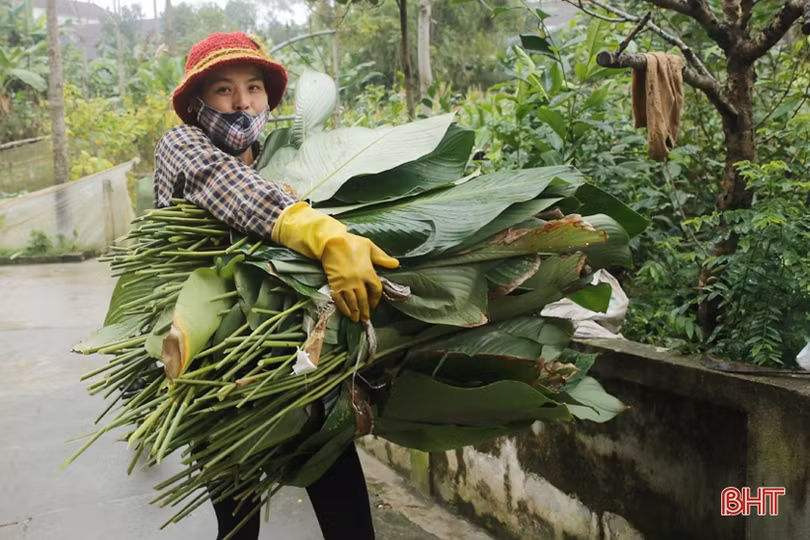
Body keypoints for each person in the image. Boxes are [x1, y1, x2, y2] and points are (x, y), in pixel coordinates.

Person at [154, 32, 395, 540]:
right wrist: (324, 235)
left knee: (350, 520)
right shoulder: (183, 145)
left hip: (296, 372)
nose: (242, 103)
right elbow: (233, 192)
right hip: (218, 375)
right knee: (238, 528)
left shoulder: (277, 158)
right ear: (196, 102)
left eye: (254, 88)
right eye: (224, 89)